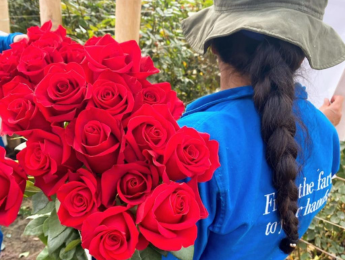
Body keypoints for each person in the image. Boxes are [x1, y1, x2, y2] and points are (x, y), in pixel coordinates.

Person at [164, 0, 345, 259]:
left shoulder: (191, 144)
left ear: (214, 42)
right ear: (304, 52)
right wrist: (322, 119)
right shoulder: (324, 133)